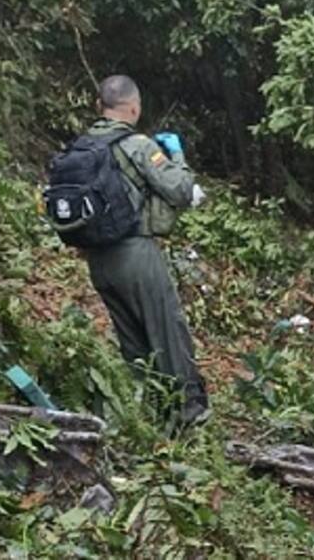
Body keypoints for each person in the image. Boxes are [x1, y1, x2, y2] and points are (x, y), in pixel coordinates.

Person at [83, 74, 209, 428]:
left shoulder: (83, 146)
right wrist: (177, 155)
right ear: (135, 108)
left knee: (133, 343)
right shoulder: (138, 145)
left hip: (97, 260)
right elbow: (180, 189)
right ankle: (190, 414)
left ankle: (147, 418)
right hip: (135, 254)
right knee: (167, 331)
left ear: (99, 105)